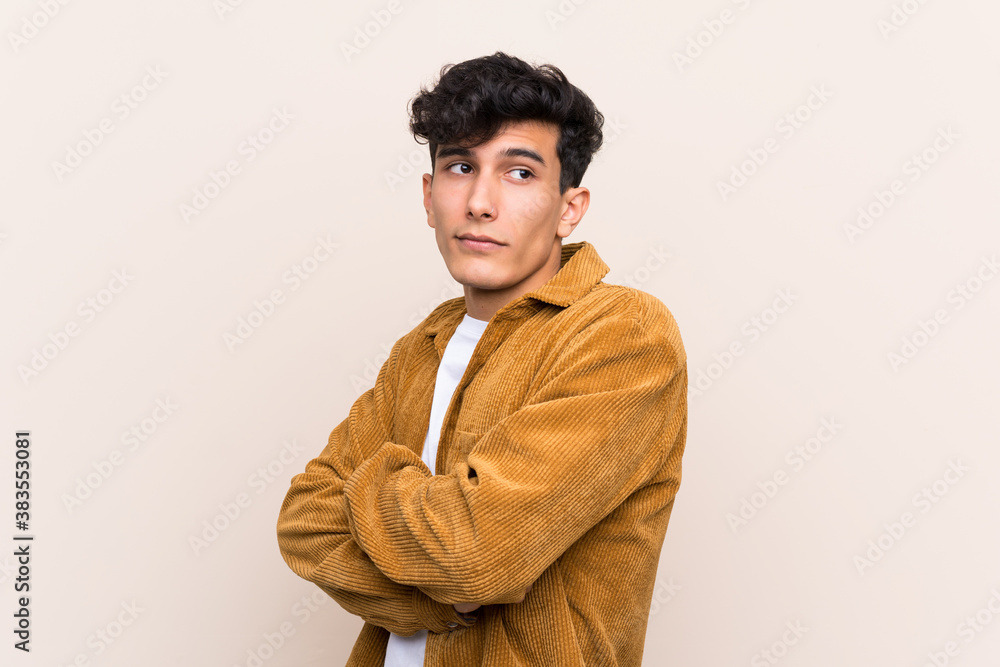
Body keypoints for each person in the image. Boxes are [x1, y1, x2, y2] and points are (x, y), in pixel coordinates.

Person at [276, 51, 688, 666]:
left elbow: (476, 555)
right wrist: (439, 597)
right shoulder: (424, 345)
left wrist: (372, 484)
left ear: (569, 208)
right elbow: (304, 522)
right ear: (428, 194)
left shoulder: (622, 334)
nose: (479, 202)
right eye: (460, 167)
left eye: (519, 173)